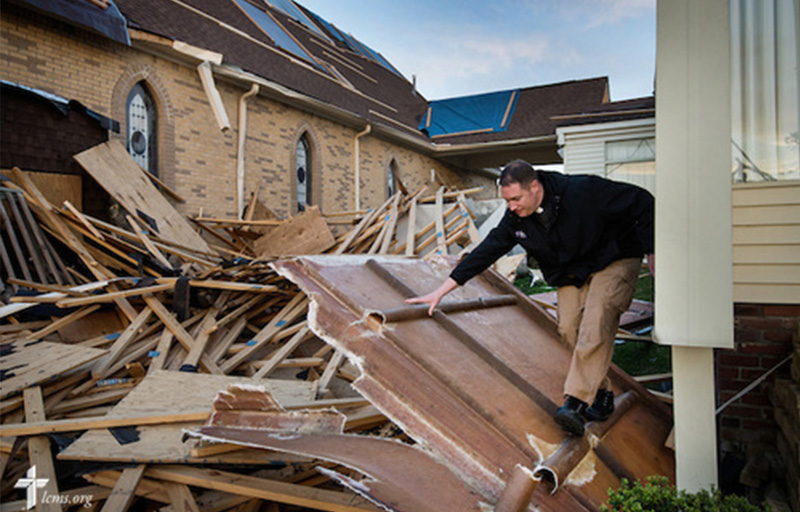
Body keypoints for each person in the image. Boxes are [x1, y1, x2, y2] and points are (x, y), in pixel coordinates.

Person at [406, 160, 655, 436]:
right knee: (568, 328)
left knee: (596, 324)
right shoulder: (516, 218)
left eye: (516, 198)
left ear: (535, 187)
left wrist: (652, 250)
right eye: (507, 200)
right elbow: (488, 250)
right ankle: (602, 392)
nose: (511, 206)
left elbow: (642, 201)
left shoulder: (583, 191)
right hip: (573, 269)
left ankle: (575, 403)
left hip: (614, 258)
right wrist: (442, 291)